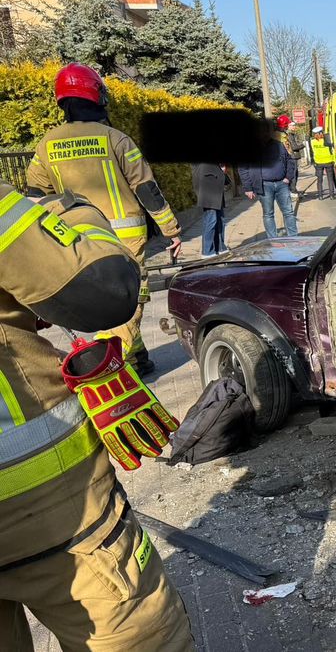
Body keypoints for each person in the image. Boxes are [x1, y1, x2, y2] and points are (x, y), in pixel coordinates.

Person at [0, 181, 193, 650]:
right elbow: (104, 292)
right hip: (51, 515)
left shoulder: (46, 148)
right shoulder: (115, 142)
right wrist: (80, 213)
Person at [25, 62, 182, 376]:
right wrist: (171, 230)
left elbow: (34, 194)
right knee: (131, 297)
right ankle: (109, 368)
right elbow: (147, 189)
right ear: (97, 97)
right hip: (126, 236)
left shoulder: (47, 145)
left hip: (77, 238)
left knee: (105, 297)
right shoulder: (116, 139)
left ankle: (136, 357)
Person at [238, 136, 298, 239]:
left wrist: (288, 177)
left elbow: (289, 161)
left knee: (288, 212)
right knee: (268, 214)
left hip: (282, 184)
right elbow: (243, 169)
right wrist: (248, 188)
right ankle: (272, 240)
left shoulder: (277, 145)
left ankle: (294, 238)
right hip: (264, 185)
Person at [192, 163, 229, 258]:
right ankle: (208, 251)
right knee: (211, 218)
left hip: (213, 177)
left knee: (219, 218)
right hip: (208, 179)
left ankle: (220, 247)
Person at [309, 126, 336, 200]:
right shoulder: (327, 140)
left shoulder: (312, 141)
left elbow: (312, 151)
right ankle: (331, 195)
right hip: (329, 161)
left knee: (319, 180)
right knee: (330, 179)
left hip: (318, 162)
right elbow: (332, 149)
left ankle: (320, 196)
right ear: (321, 132)